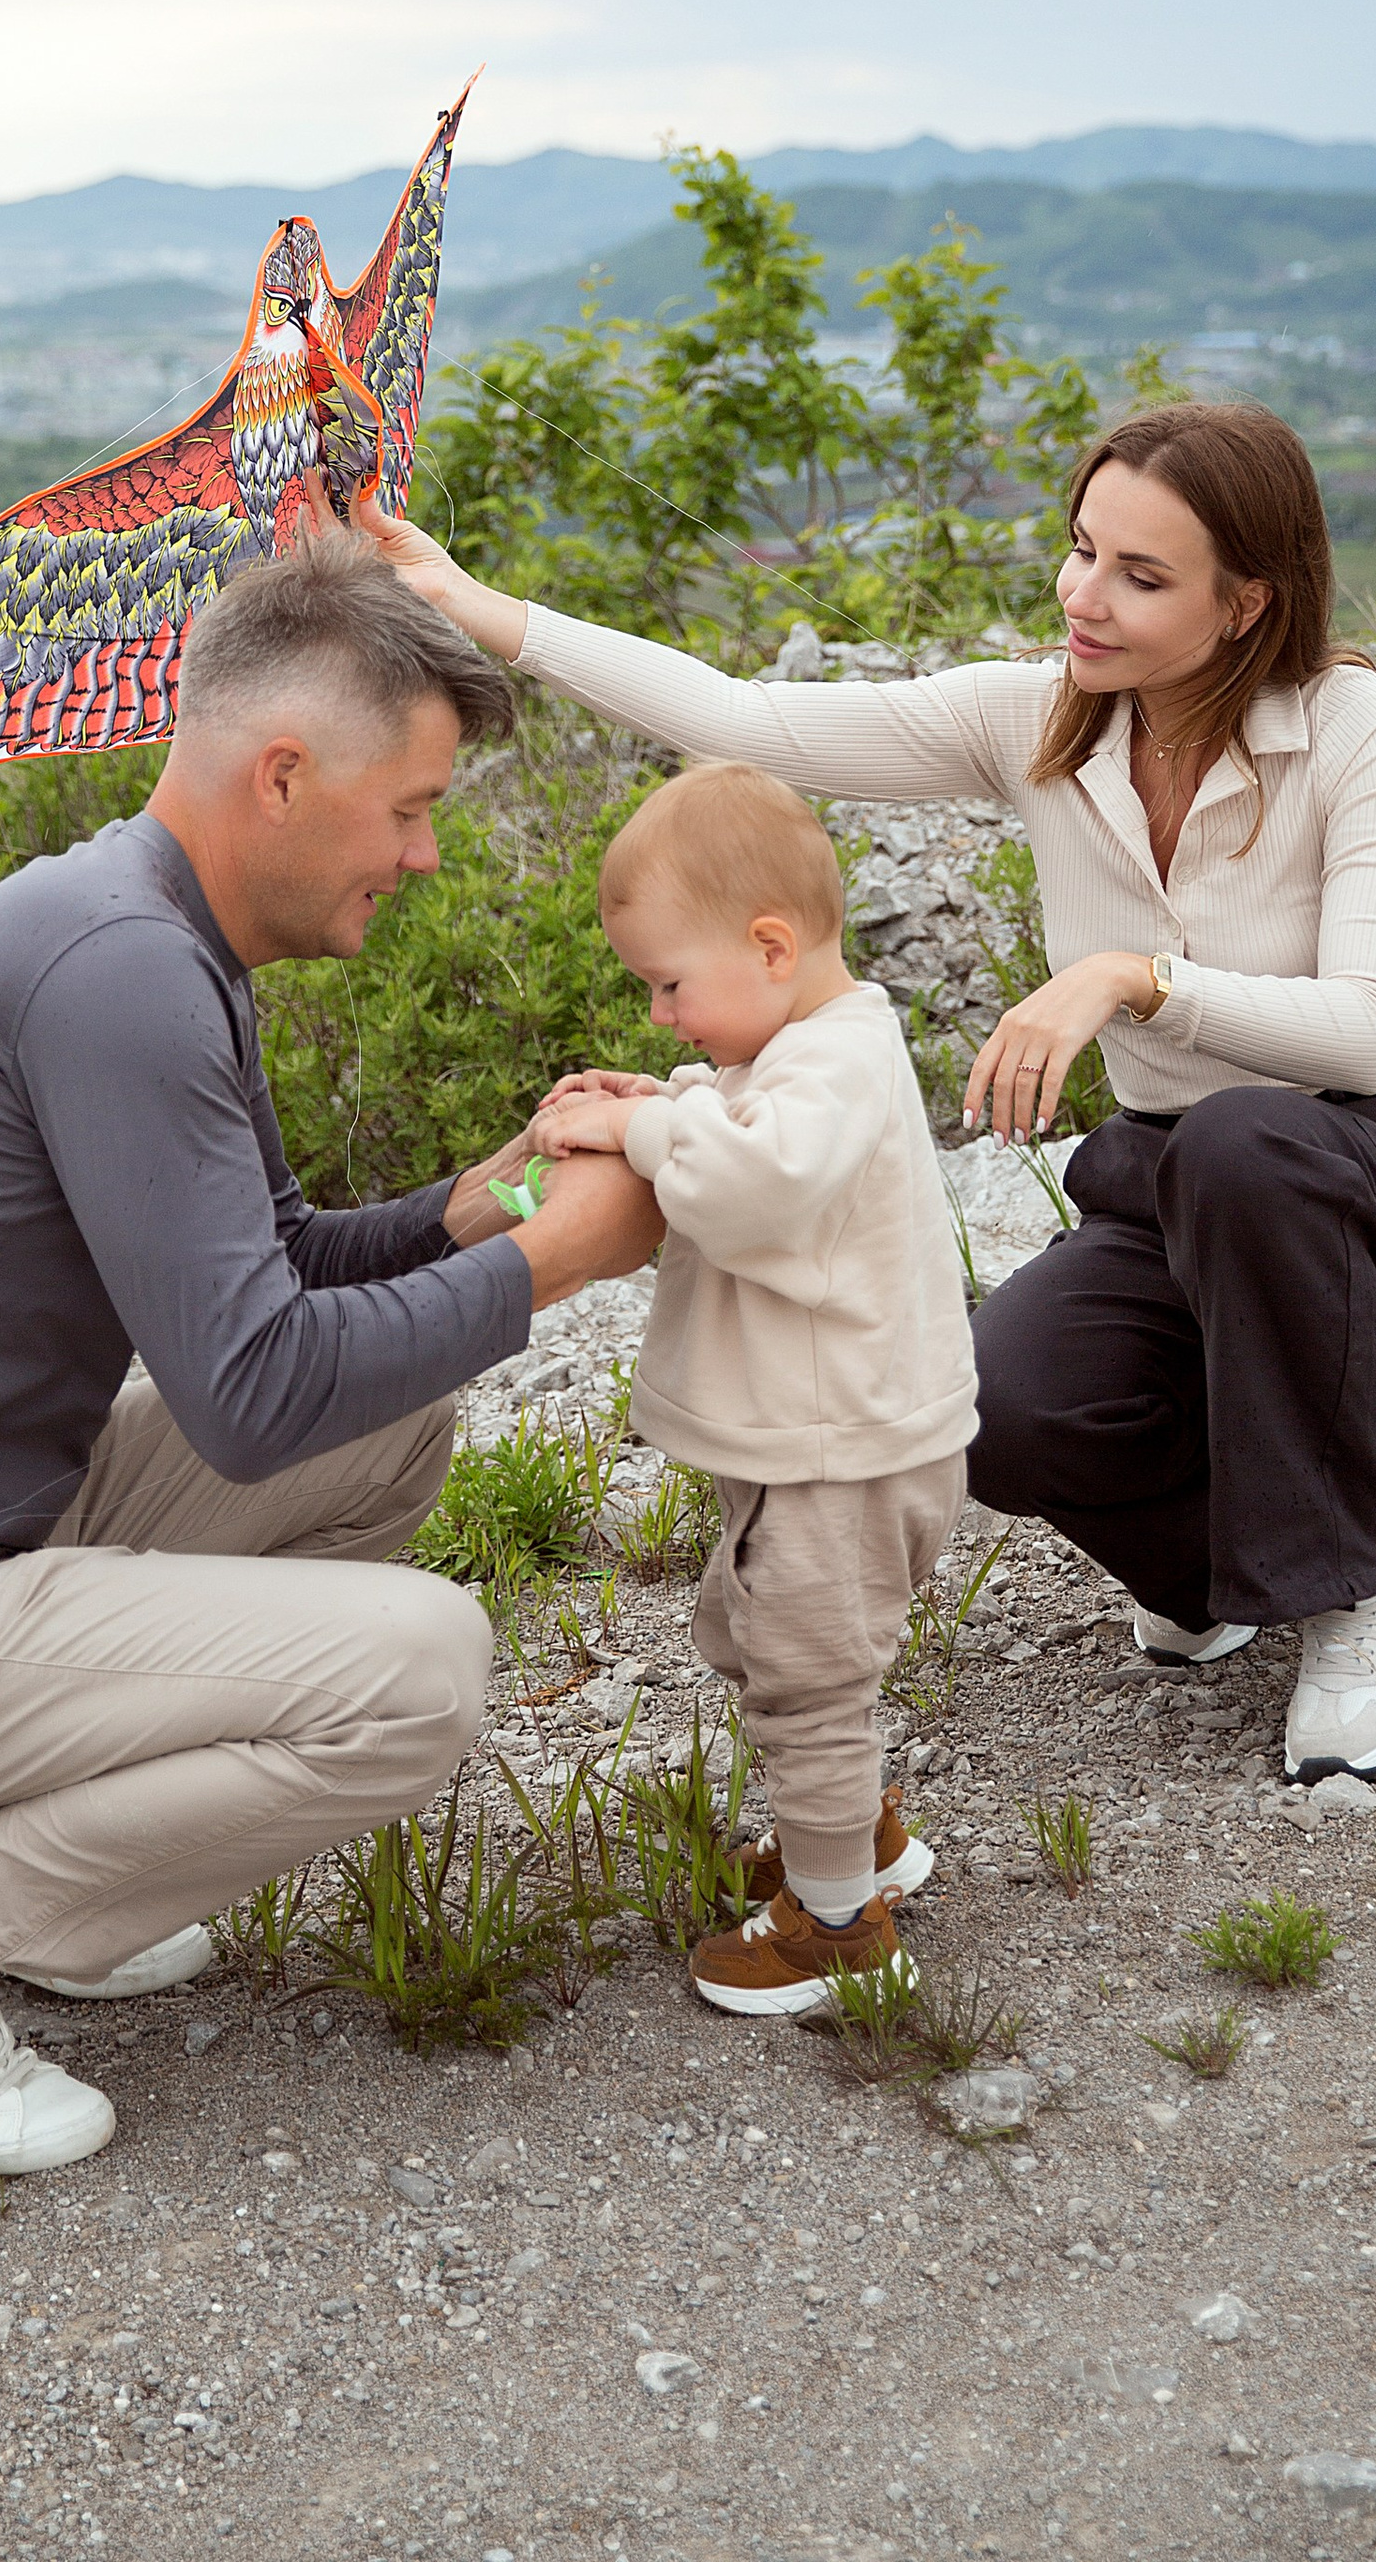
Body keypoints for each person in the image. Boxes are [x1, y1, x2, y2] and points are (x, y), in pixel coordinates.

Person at [0, 541, 657, 2174]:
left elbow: (280, 1267)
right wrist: (562, 1262)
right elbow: (250, 1398)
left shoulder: (148, 929)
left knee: (389, 1430)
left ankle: (47, 1884)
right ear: (284, 775)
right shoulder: (121, 970)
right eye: (410, 810)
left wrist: (505, 1197)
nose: (421, 855)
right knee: (419, 1672)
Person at [373, 398, 1376, 1787]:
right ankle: (1226, 1566)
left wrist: (1132, 978)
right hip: (1174, 1193)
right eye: (1081, 549)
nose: (1081, 596)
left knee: (1242, 1143)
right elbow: (746, 721)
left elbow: (1369, 1032)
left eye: (1139, 576)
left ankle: (1364, 1596)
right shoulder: (1037, 718)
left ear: (1245, 604)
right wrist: (470, 603)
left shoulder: (1352, 727)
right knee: (999, 1410)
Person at [527, 761, 978, 2015]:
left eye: (669, 985)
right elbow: (745, 1125)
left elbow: (757, 1184)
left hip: (839, 1458)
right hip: (822, 1445)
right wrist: (665, 1100)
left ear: (770, 948)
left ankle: (837, 1929)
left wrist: (646, 1134)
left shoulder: (835, 1067)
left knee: (806, 1677)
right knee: (751, 1631)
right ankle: (856, 1836)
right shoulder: (810, 1050)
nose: (661, 1012)